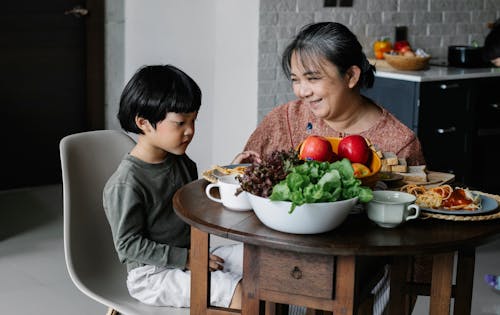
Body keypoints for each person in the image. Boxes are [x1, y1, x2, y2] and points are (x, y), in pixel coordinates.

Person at [233, 22, 427, 315]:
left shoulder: (399, 141)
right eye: (296, 79)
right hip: (287, 258)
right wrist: (242, 168)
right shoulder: (285, 118)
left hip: (364, 268)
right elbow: (248, 183)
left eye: (312, 78)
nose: (302, 91)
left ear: (351, 75)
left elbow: (415, 240)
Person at [103, 65, 242, 309]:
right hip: (151, 275)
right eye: (180, 123)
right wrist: (187, 259)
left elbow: (195, 203)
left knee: (258, 261)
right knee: (235, 291)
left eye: (193, 120)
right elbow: (127, 245)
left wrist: (230, 175)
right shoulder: (127, 182)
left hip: (191, 256)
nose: (190, 131)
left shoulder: (181, 162)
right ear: (143, 123)